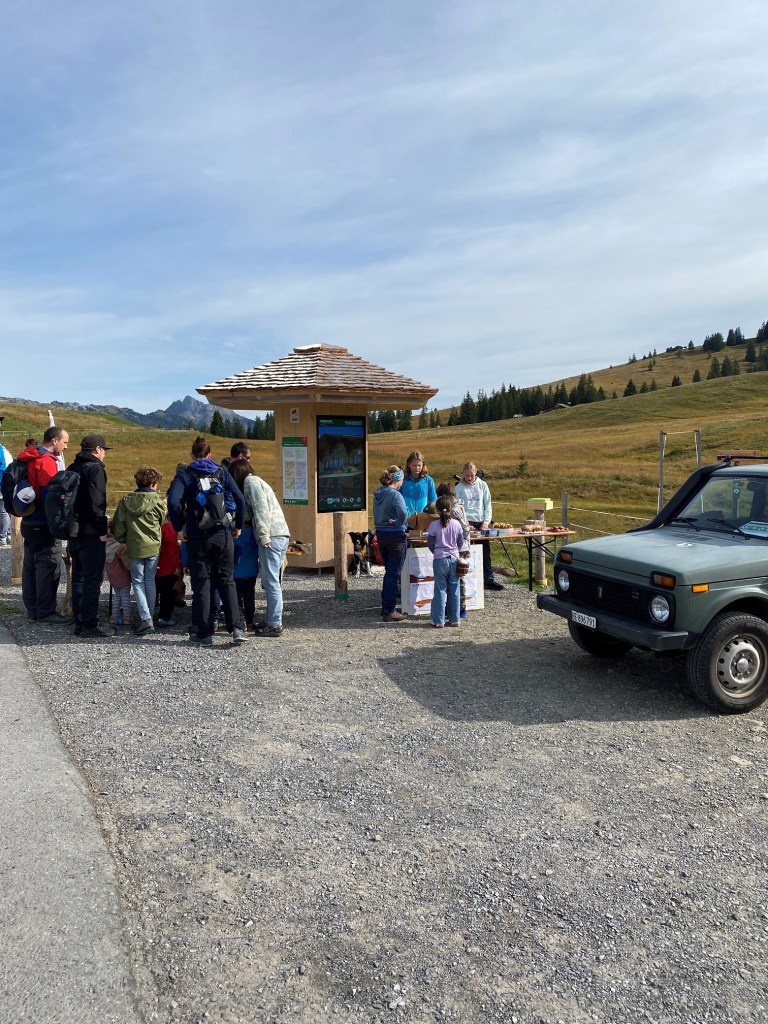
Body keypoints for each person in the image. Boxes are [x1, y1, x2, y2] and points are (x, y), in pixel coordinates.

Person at [167, 436, 247, 647]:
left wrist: (179, 527)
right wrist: (238, 524)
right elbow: (239, 498)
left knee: (202, 584)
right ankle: (237, 628)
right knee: (227, 580)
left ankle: (204, 633)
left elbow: (173, 502)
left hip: (197, 536)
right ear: (210, 454)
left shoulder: (184, 474)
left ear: (192, 454)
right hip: (223, 534)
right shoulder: (221, 472)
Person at [16, 426, 72, 624]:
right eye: (64, 442)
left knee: (30, 566)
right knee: (48, 565)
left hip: (28, 518)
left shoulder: (27, 457)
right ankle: (46, 611)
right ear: (54, 440)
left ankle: (32, 609)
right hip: (43, 520)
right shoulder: (46, 461)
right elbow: (51, 495)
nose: (66, 446)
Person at [113, 466, 166, 636]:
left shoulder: (126, 501)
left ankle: (146, 618)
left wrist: (123, 539)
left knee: (137, 582)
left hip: (134, 546)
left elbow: (118, 525)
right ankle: (148, 616)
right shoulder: (157, 501)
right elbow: (161, 521)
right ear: (153, 483)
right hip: (153, 546)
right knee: (150, 581)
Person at [69, 434, 113, 637]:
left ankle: (78, 620)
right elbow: (97, 504)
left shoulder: (72, 467)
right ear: (97, 449)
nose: (105, 454)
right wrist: (103, 531)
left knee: (78, 578)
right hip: (90, 533)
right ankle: (89, 624)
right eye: (104, 450)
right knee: (92, 580)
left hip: (73, 530)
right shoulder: (95, 469)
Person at [241, 465, 290, 637]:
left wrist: (263, 535)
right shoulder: (260, 481)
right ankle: (270, 619)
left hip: (271, 537)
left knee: (271, 582)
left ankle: (275, 623)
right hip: (280, 534)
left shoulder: (250, 482)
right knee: (272, 581)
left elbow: (260, 509)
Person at [455, 461, 505, 591]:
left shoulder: (482, 485)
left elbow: (487, 504)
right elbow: (457, 508)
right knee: (465, 552)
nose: (469, 478)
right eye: (466, 475)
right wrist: (465, 524)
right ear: (463, 474)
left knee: (485, 552)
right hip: (466, 523)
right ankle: (466, 580)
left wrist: (486, 522)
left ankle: (488, 580)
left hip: (481, 523)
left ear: (476, 473)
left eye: (471, 475)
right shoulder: (459, 487)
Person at [373, 465, 408, 622]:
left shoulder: (378, 493)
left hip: (381, 535)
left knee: (389, 572)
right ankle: (389, 610)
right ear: (399, 479)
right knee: (393, 574)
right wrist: (398, 523)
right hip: (395, 537)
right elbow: (403, 513)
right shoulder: (395, 495)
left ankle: (385, 606)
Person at [228, 460, 260, 631]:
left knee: (236, 595)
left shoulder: (232, 497)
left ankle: (239, 621)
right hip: (251, 566)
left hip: (236, 567)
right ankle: (250, 620)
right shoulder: (251, 493)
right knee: (250, 593)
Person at [426, 495, 463, 628]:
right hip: (454, 558)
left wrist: (437, 552)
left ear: (437, 510)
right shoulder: (457, 524)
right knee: (454, 590)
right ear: (450, 509)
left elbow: (430, 544)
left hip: (439, 559)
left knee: (440, 590)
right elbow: (460, 542)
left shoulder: (433, 525)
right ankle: (455, 619)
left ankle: (438, 620)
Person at [436, 481, 471, 619]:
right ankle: (454, 607)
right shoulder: (459, 506)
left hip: (459, 549)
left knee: (458, 579)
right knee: (456, 579)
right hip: (460, 547)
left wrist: (460, 544)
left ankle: (460, 608)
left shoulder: (455, 510)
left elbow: (465, 529)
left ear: (446, 496)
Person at [155, 513, 182, 627]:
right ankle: (164, 618)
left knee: (157, 592)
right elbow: (173, 550)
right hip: (168, 567)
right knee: (168, 594)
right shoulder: (170, 528)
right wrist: (177, 566)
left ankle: (152, 615)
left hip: (157, 567)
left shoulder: (158, 527)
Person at [104, 521, 132, 628]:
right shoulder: (119, 546)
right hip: (122, 574)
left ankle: (114, 616)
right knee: (125, 596)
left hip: (112, 575)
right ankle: (127, 617)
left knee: (117, 596)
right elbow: (127, 562)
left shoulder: (105, 545)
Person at [400, 451, 437, 517]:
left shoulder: (428, 480)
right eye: (414, 465)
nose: (417, 468)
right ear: (409, 464)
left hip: (423, 519)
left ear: (423, 465)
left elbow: (433, 501)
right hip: (406, 520)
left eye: (419, 465)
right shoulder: (402, 480)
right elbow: (397, 499)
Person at [0, 442, 12, 546]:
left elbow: (2, 467)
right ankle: (8, 534)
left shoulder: (1, 451)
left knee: (2, 511)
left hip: (1, 483)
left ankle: (2, 537)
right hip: (6, 483)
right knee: (5, 510)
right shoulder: (5, 451)